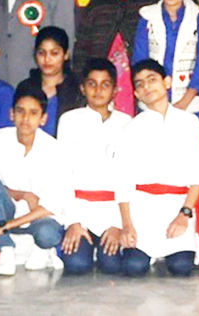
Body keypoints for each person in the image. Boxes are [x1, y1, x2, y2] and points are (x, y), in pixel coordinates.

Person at [114, 60, 199, 277]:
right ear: (136, 94)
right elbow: (123, 181)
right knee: (134, 267)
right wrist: (127, 225)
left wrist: (184, 214)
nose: (147, 87)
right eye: (140, 84)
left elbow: (198, 176)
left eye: (152, 80)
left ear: (167, 82)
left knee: (181, 267)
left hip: (178, 205)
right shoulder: (131, 129)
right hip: (142, 209)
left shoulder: (190, 123)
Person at [0, 84, 71, 275]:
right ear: (11, 114)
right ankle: (6, 249)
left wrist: (4, 227)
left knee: (47, 234)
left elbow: (51, 206)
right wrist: (22, 195)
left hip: (39, 218)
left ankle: (42, 250)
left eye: (33, 113)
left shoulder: (54, 150)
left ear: (43, 118)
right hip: (8, 212)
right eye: (20, 111)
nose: (26, 119)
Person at [57, 58, 134, 275]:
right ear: (83, 88)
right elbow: (63, 174)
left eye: (105, 85)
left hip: (113, 210)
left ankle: (102, 247)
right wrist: (74, 222)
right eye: (92, 84)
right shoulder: (69, 120)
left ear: (115, 90)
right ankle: (82, 243)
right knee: (77, 265)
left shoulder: (126, 123)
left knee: (112, 266)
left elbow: (128, 177)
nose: (98, 90)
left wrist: (118, 224)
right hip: (80, 209)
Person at [74, 0, 160, 116]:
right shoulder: (98, 4)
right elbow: (82, 48)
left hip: (143, 83)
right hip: (102, 84)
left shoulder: (155, 1)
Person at [134, 0, 199, 113]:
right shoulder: (147, 17)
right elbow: (140, 60)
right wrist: (152, 99)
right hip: (151, 101)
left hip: (189, 103)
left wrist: (184, 102)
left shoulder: (198, 18)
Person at [19, 27, 80, 136]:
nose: (47, 59)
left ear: (66, 55)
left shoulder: (76, 90)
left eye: (54, 53)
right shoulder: (26, 88)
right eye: (42, 53)